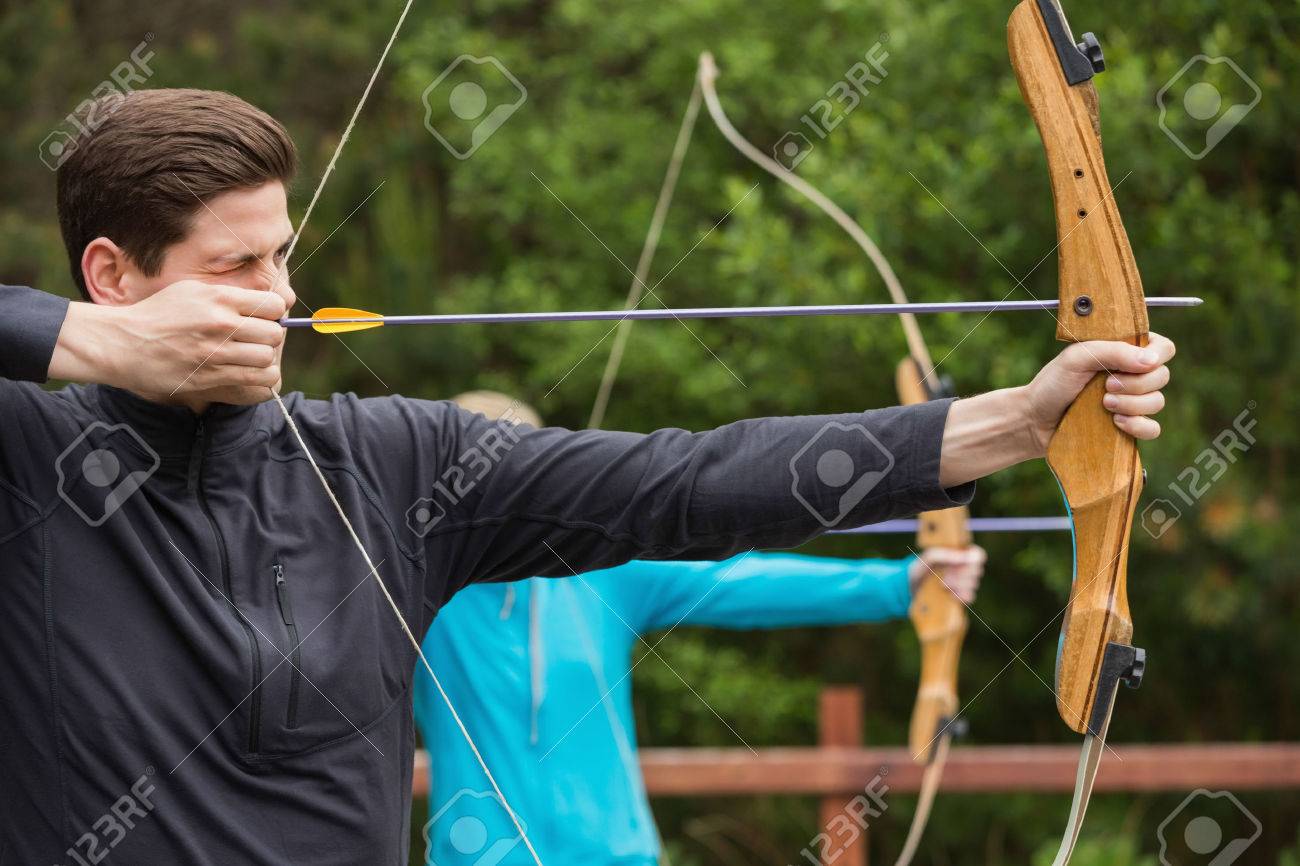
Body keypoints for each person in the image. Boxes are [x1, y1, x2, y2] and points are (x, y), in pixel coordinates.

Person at [0, 88, 1174, 865]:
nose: (282, 296)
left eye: (284, 256)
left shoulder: (391, 462)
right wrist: (94, 347)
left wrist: (1013, 422)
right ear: (111, 276)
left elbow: (689, 480)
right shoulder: (27, 459)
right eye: (238, 267)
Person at [415, 392, 986, 866]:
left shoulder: (599, 571)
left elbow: (738, 581)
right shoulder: (415, 591)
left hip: (616, 855)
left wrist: (902, 584)